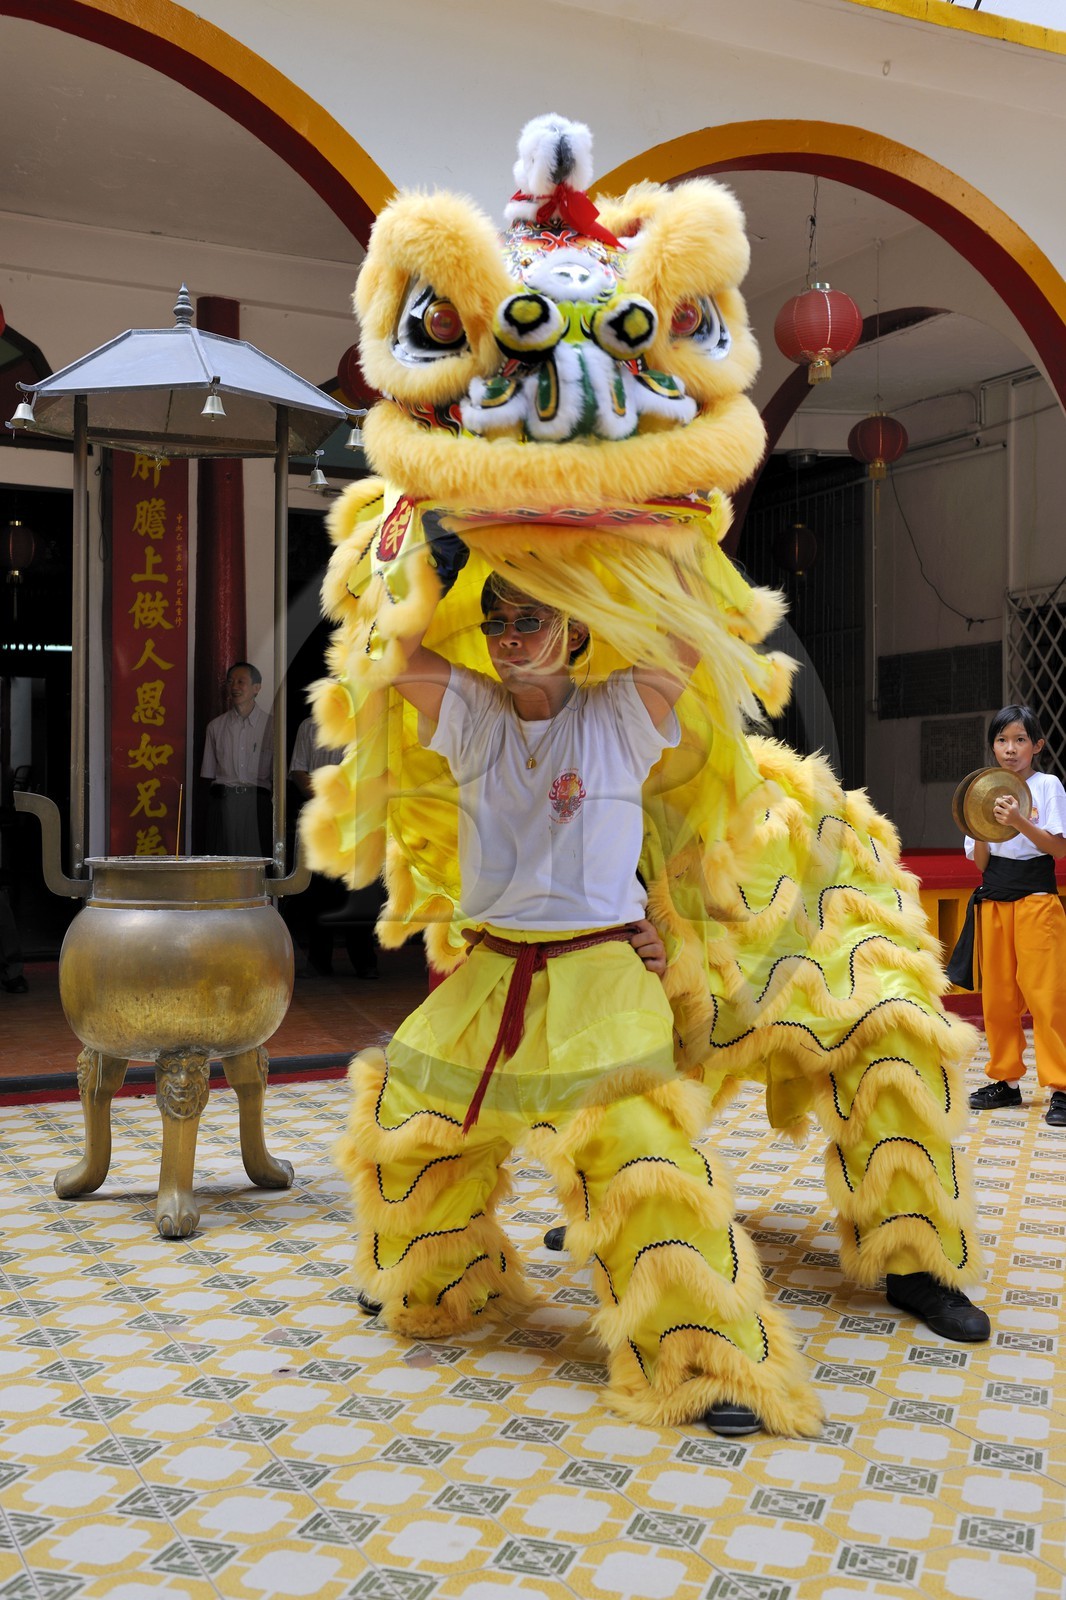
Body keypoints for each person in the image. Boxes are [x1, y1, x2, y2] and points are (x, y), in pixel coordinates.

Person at [335, 568, 822, 1438]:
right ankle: (442, 1279)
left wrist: (615, 542)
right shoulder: (475, 716)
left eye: (532, 619)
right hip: (491, 969)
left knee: (635, 1152)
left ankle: (700, 1358)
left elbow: (686, 626)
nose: (510, 636)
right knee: (410, 1114)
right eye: (497, 622)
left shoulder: (620, 713)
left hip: (600, 965)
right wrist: (422, 535)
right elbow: (398, 647)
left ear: (576, 628)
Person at [961, 705, 1066, 1127]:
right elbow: (981, 863)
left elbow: (1058, 849)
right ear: (993, 746)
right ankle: (1005, 1081)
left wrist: (1018, 820)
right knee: (999, 999)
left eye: (1020, 739)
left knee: (1047, 997)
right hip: (995, 900)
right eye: (1002, 740)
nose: (1010, 749)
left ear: (1037, 746)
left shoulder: (1048, 786)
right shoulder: (981, 789)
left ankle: (1061, 1086)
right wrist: (985, 823)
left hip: (1037, 901)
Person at [289, 715, 380, 978]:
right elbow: (297, 770)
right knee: (320, 891)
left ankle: (364, 960)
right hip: (322, 815)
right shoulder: (308, 725)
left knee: (359, 888)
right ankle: (320, 960)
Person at [201, 661, 272, 856]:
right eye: (230, 682)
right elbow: (208, 774)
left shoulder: (272, 727)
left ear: (256, 688)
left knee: (256, 864)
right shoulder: (215, 727)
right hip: (224, 803)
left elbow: (279, 777)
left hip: (257, 804)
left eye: (241, 682)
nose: (234, 687)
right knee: (223, 862)